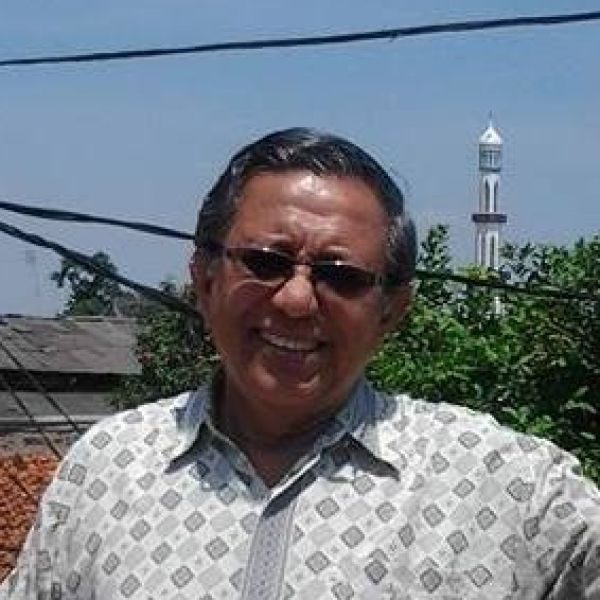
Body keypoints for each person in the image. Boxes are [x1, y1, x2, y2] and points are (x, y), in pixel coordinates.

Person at [1, 127, 599, 599]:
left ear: (391, 309)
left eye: (342, 276)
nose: (295, 299)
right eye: (265, 262)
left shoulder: (505, 486)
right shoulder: (107, 471)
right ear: (204, 279)